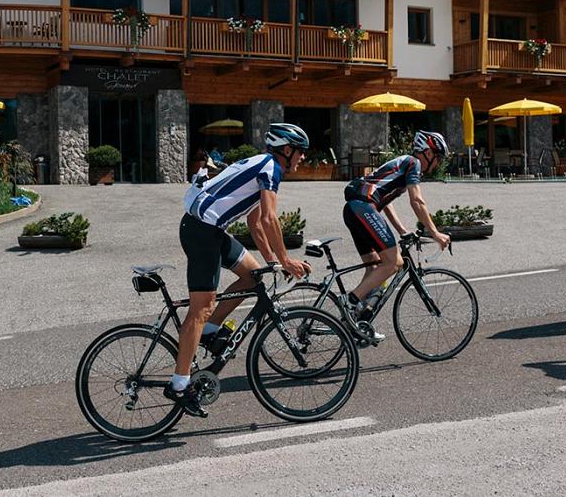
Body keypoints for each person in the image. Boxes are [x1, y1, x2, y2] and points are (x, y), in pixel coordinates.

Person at [166, 122, 312, 417]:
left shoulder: (264, 164)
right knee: (201, 307)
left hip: (210, 229)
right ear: (287, 150)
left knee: (252, 275)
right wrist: (286, 261)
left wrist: (271, 261)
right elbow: (271, 219)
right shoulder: (271, 167)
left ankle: (209, 332)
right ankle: (180, 384)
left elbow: (255, 222)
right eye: (301, 152)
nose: (303, 158)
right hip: (201, 231)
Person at [341, 131, 452, 331]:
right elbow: (417, 201)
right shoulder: (413, 163)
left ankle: (355, 321)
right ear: (426, 152)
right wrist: (435, 233)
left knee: (375, 268)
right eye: (437, 158)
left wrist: (402, 230)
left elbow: (386, 202)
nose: (436, 164)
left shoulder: (402, 165)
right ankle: (349, 302)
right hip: (363, 207)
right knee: (394, 263)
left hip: (354, 209)